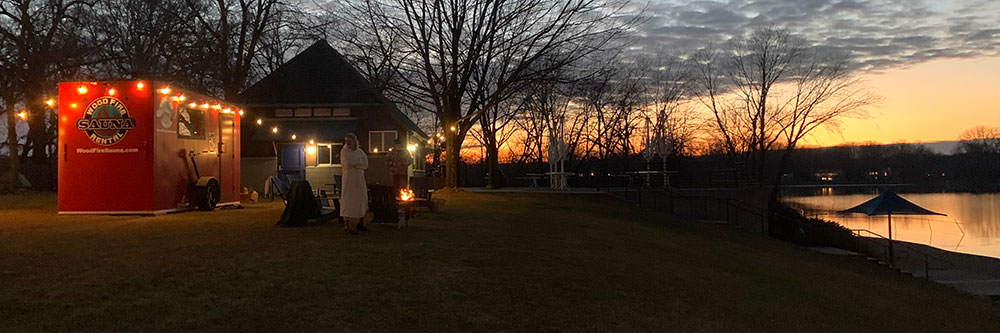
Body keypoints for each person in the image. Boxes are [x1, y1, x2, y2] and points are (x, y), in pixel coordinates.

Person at [340, 133, 369, 234]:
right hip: (349, 178)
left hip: (359, 178)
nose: (348, 143)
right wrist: (358, 164)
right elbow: (348, 163)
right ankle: (348, 225)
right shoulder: (344, 152)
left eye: (350, 141)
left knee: (361, 199)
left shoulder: (360, 152)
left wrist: (357, 165)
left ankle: (360, 222)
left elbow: (365, 164)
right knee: (349, 200)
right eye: (346, 141)